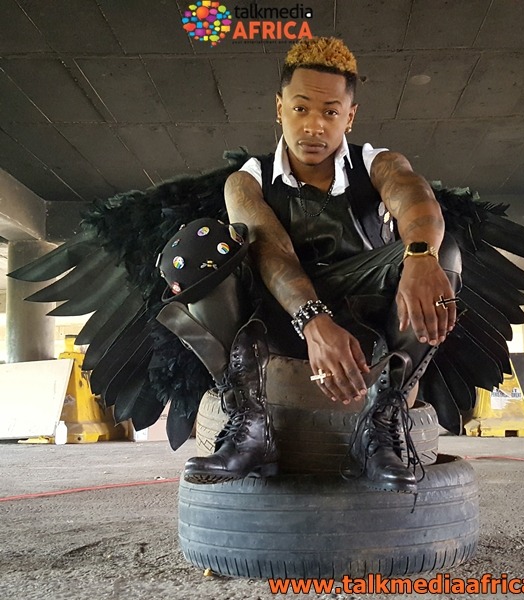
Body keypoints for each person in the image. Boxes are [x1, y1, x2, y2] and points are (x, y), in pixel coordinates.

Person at [156, 36, 461, 493]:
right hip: (277, 318)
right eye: (300, 109)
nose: (314, 125)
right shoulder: (247, 180)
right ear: (279, 108)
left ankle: (382, 421)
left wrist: (421, 254)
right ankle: (248, 421)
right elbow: (271, 250)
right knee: (199, 248)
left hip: (363, 318)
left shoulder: (376, 163)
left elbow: (411, 193)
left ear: (349, 116)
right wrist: (314, 321)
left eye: (330, 112)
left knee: (444, 252)